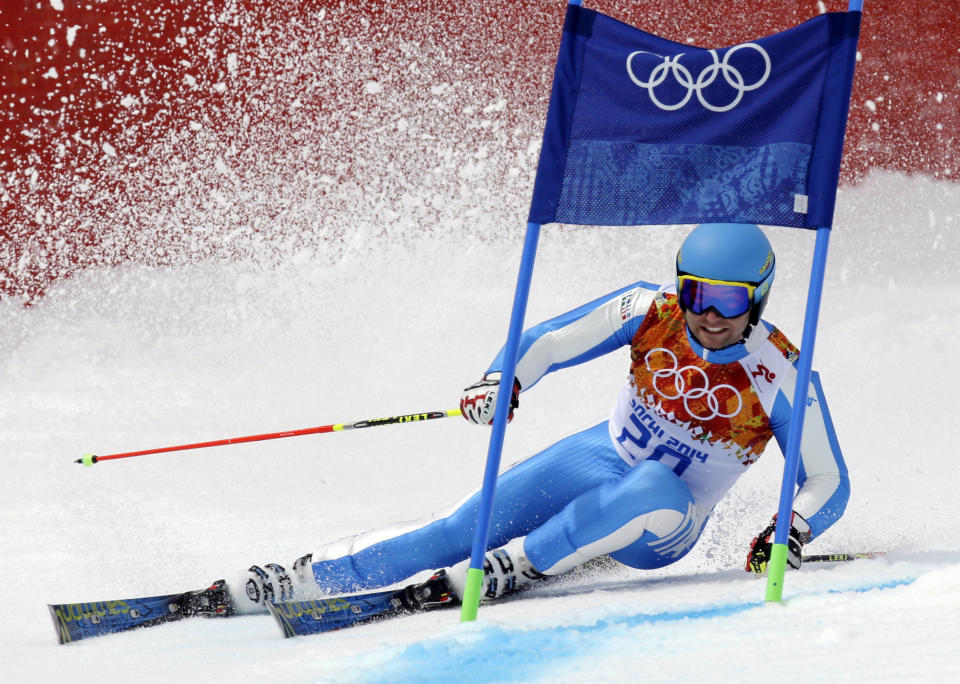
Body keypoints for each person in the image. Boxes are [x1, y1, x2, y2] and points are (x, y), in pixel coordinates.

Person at [229, 222, 849, 613]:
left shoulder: (782, 375)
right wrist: (503, 381)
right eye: (696, 293)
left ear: (759, 296)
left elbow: (827, 480)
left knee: (654, 485)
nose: (709, 315)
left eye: (729, 299)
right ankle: (313, 578)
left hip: (667, 522)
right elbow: (550, 341)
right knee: (458, 528)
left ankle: (523, 564)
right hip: (599, 458)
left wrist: (788, 531)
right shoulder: (648, 310)